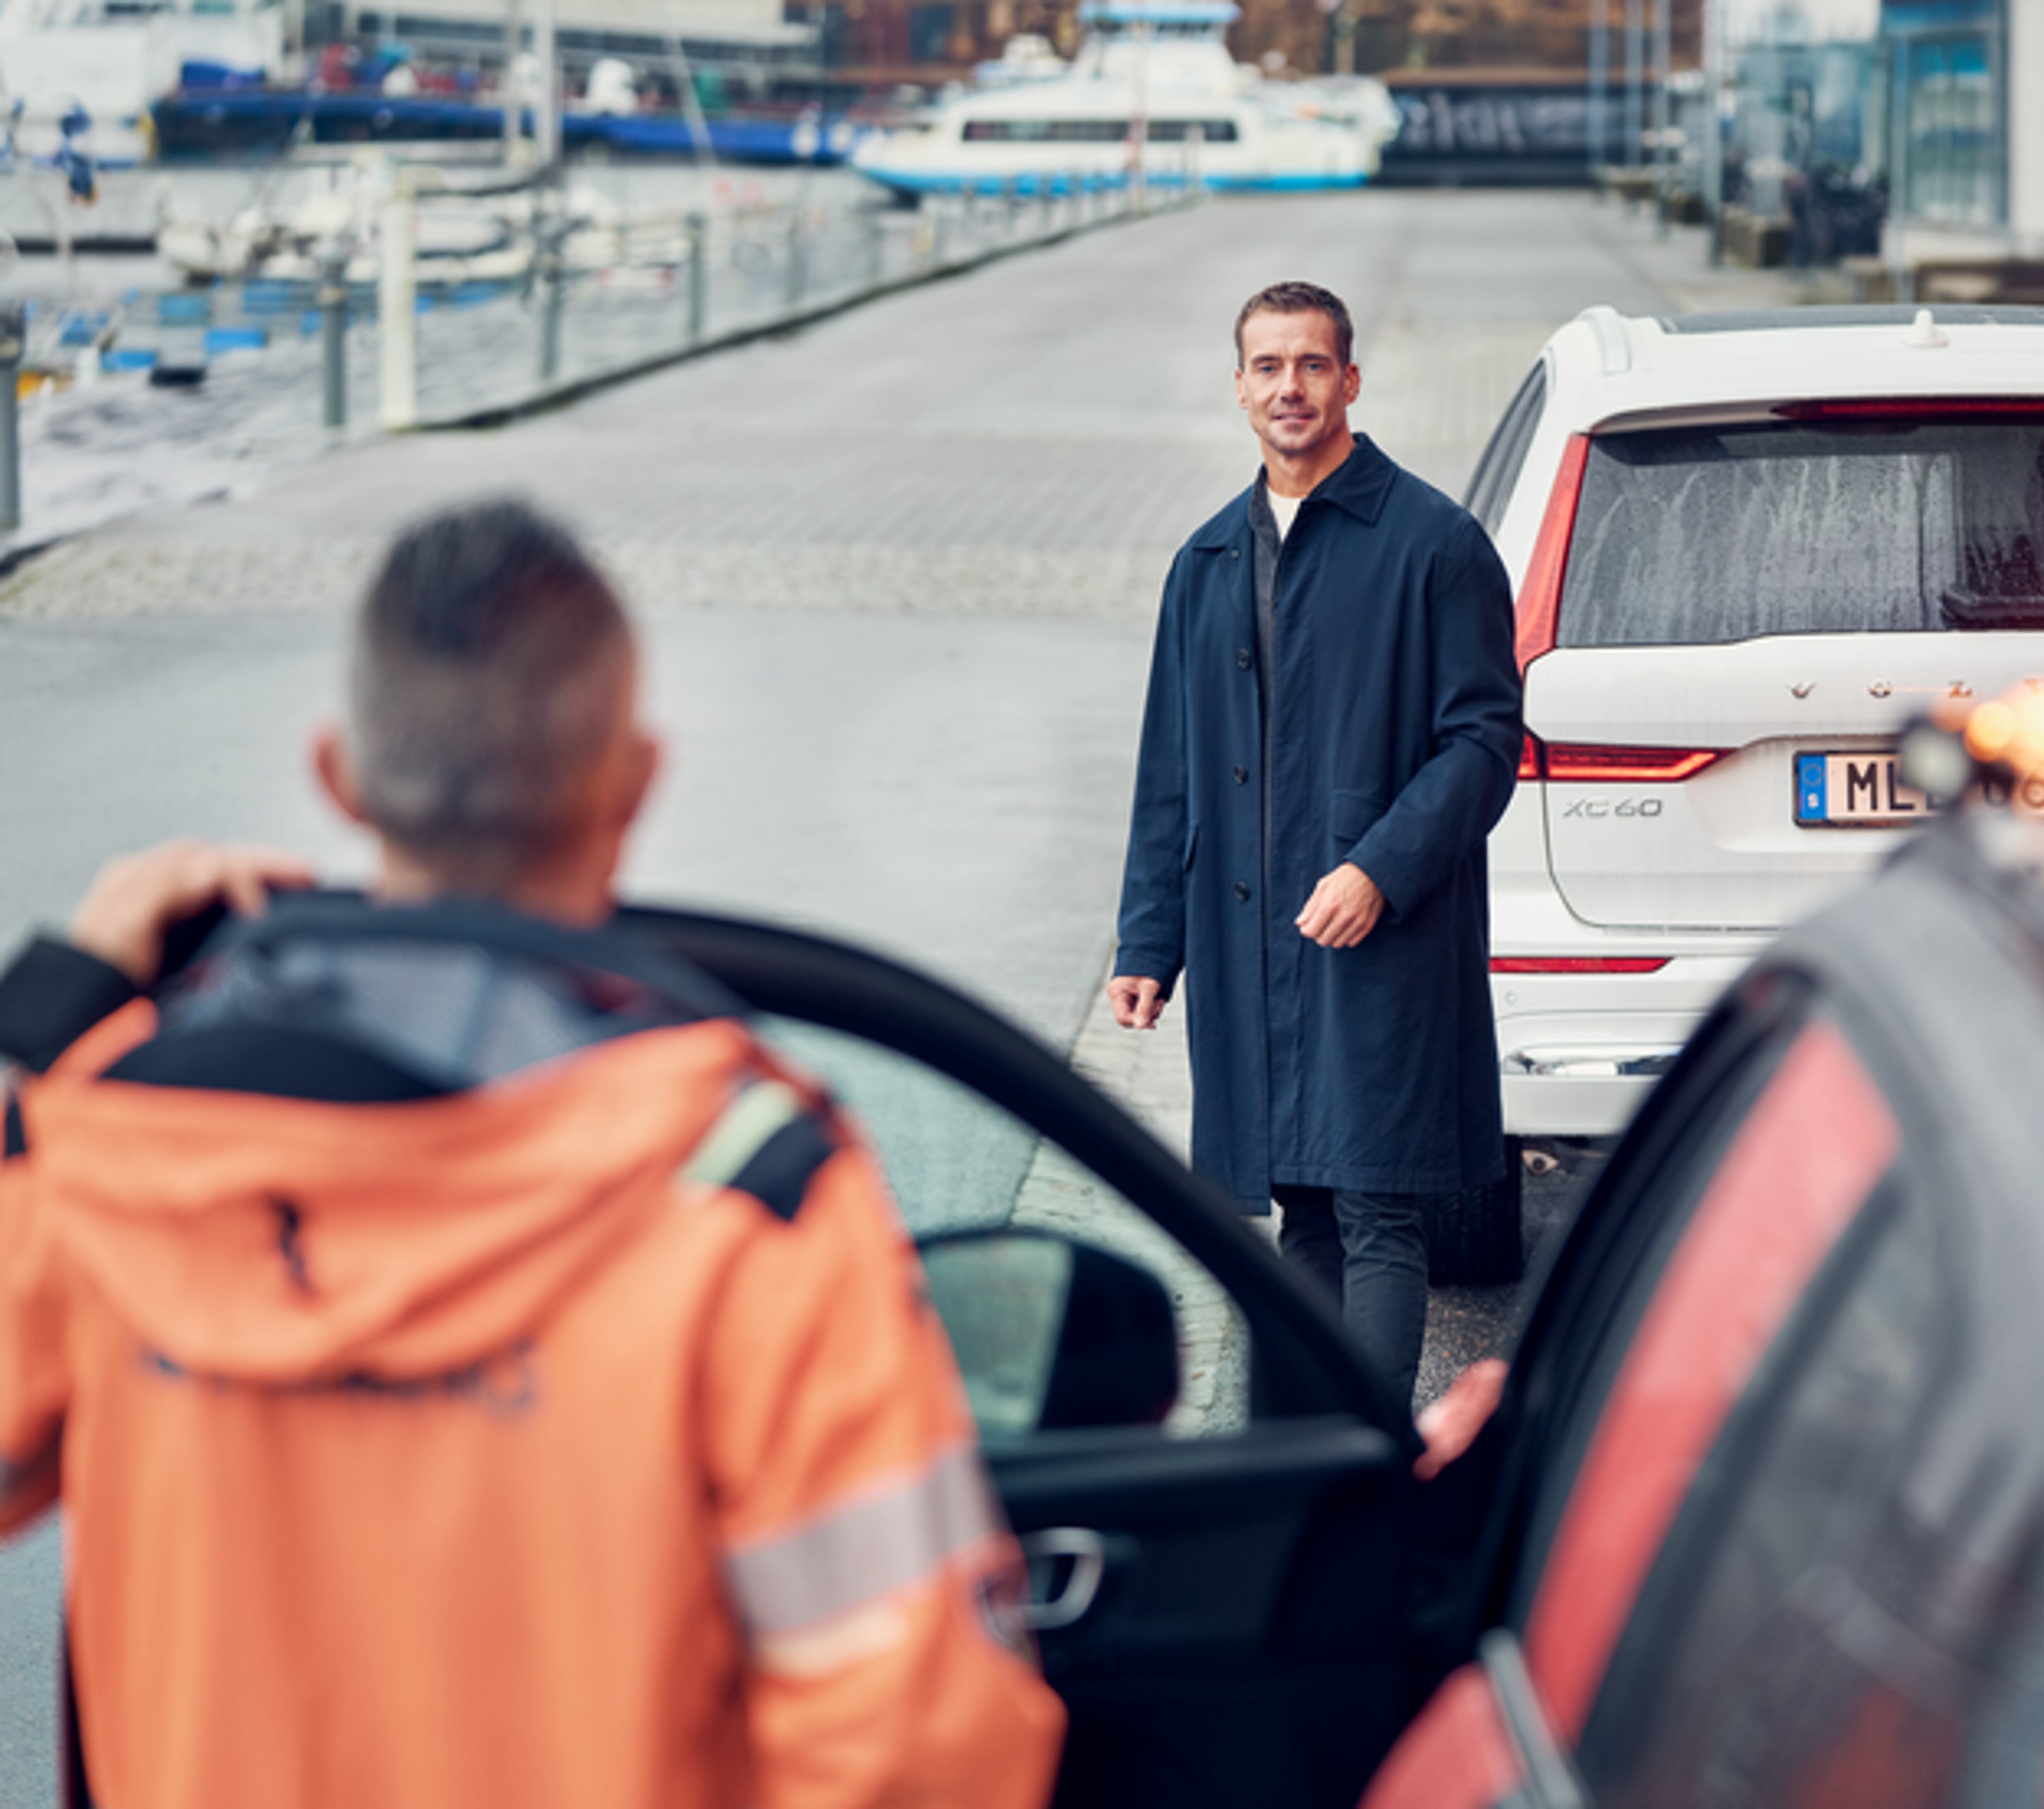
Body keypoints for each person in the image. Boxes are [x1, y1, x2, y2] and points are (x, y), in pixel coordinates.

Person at [0, 498, 1064, 1809]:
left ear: (338, 775)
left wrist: (44, 1023)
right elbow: (923, 1748)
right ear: (634, 779)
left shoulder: (105, 1151)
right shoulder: (744, 1191)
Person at [1108, 282, 1523, 1411]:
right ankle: (1297, 1440)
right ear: (1239, 388)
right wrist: (1147, 941)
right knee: (1301, 1201)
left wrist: (1380, 869)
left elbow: (1486, 741)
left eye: (1311, 365)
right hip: (1250, 938)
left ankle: (1370, 1452)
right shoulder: (1203, 563)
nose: (1289, 387)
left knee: (1379, 1199)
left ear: (1350, 381)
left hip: (1380, 933)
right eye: (1267, 367)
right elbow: (1170, 771)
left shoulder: (1434, 544)